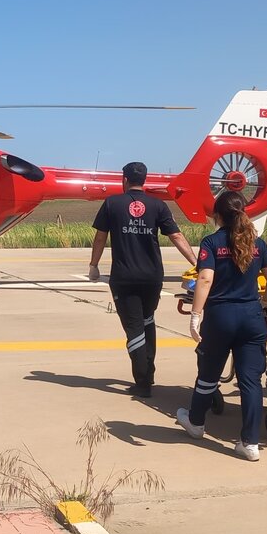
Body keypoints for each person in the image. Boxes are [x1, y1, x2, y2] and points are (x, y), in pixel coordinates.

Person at [174, 191, 267, 461]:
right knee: (250, 381)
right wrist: (266, 304)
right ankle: (250, 443)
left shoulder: (211, 242)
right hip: (251, 317)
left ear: (217, 216)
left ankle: (196, 423)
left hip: (220, 317)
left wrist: (195, 315)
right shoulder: (258, 243)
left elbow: (205, 279)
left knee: (208, 374)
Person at [89, 162, 197, 398]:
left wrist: (94, 265)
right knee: (148, 321)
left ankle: (143, 381)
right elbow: (176, 236)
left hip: (125, 278)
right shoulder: (158, 205)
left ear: (124, 180)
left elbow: (100, 238)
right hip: (152, 278)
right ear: (144, 180)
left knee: (134, 328)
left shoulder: (112, 203)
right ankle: (149, 373)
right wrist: (196, 263)